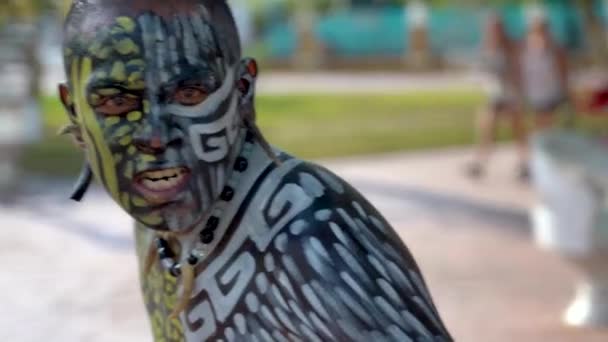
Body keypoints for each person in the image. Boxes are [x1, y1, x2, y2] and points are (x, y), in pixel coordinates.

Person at [59, 1, 452, 341]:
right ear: (74, 110)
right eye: (115, 102)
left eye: (189, 94)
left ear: (242, 90)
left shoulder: (311, 236)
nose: (156, 136)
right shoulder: (157, 218)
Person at [468, 14, 529, 181]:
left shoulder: (511, 48)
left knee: (518, 129)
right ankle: (480, 162)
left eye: (496, 28)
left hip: (511, 94)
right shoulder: (485, 47)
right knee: (486, 127)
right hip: (495, 95)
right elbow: (479, 71)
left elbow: (519, 71)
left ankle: (525, 163)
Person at [521, 17, 570, 131]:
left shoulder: (555, 48)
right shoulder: (525, 48)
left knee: (551, 120)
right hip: (536, 92)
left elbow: (563, 70)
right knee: (540, 121)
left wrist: (565, 89)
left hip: (552, 90)